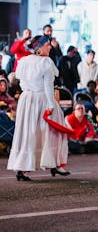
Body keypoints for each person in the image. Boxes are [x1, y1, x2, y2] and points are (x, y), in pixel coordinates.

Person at [7, 35, 71, 181]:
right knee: (53, 131)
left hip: (27, 100)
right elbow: (48, 87)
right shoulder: (45, 62)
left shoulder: (23, 61)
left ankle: (23, 168)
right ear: (39, 47)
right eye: (47, 44)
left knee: (28, 133)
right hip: (42, 99)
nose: (50, 47)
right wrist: (51, 105)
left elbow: (21, 81)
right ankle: (55, 164)